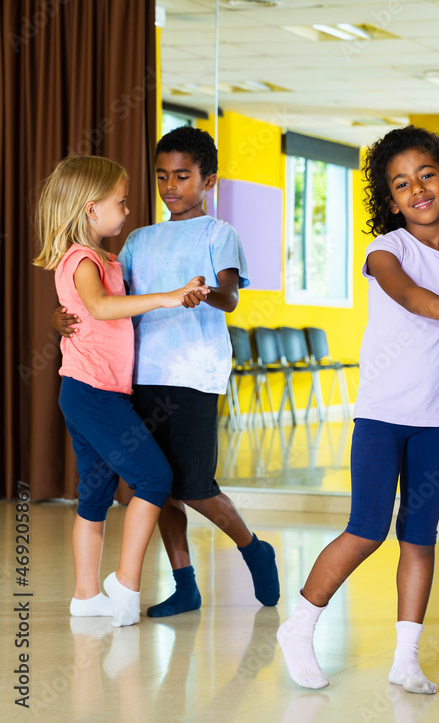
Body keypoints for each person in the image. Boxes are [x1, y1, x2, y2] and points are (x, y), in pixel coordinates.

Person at [276, 126, 439, 692]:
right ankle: (300, 624)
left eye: (427, 176)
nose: (417, 190)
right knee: (367, 528)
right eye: (402, 184)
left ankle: (406, 659)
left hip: (438, 420)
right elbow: (409, 296)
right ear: (390, 200)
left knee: (420, 537)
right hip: (382, 416)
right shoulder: (387, 250)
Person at [55, 126, 279, 617]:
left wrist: (201, 295)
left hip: (194, 374)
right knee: (157, 485)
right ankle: (185, 583)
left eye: (182, 176)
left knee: (194, 485)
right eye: (161, 176)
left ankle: (253, 548)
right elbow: (109, 302)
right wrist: (64, 316)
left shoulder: (220, 233)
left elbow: (230, 297)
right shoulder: (137, 239)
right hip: (138, 374)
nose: (170, 186)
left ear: (209, 180)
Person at [34, 156, 209, 627]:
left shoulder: (108, 259)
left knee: (94, 495)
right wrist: (171, 295)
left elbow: (91, 308)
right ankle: (125, 582)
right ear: (91, 210)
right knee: (154, 478)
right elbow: (100, 306)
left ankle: (86, 596)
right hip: (92, 394)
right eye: (121, 202)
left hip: (92, 392)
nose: (129, 211)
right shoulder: (81, 258)